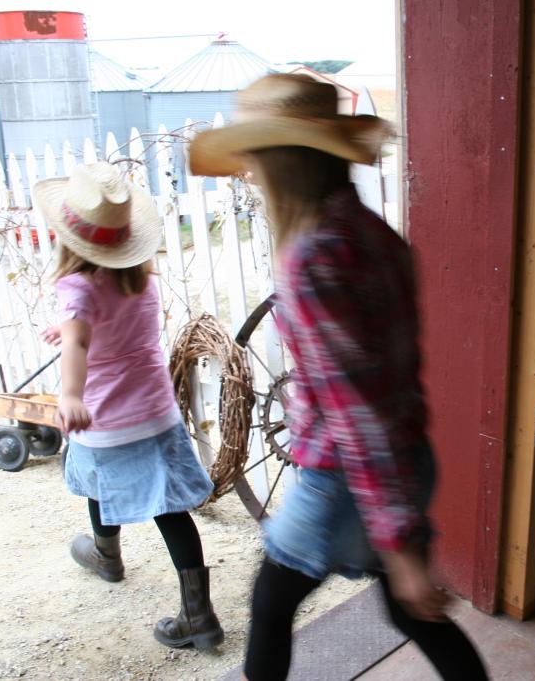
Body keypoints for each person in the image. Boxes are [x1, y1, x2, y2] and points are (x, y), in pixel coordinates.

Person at [189, 73, 489, 680]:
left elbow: (359, 416)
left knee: (272, 606)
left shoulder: (311, 260)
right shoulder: (373, 234)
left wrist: (400, 545)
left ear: (282, 162)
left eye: (254, 157)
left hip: (347, 479)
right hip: (403, 459)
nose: (247, 170)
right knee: (412, 615)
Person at [34, 162, 223, 651]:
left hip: (106, 415)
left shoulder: (75, 287)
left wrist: (72, 394)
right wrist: (71, 329)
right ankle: (198, 614)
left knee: (96, 481)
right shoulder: (141, 281)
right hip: (154, 411)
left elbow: (79, 346)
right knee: (170, 510)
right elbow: (107, 331)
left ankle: (106, 556)